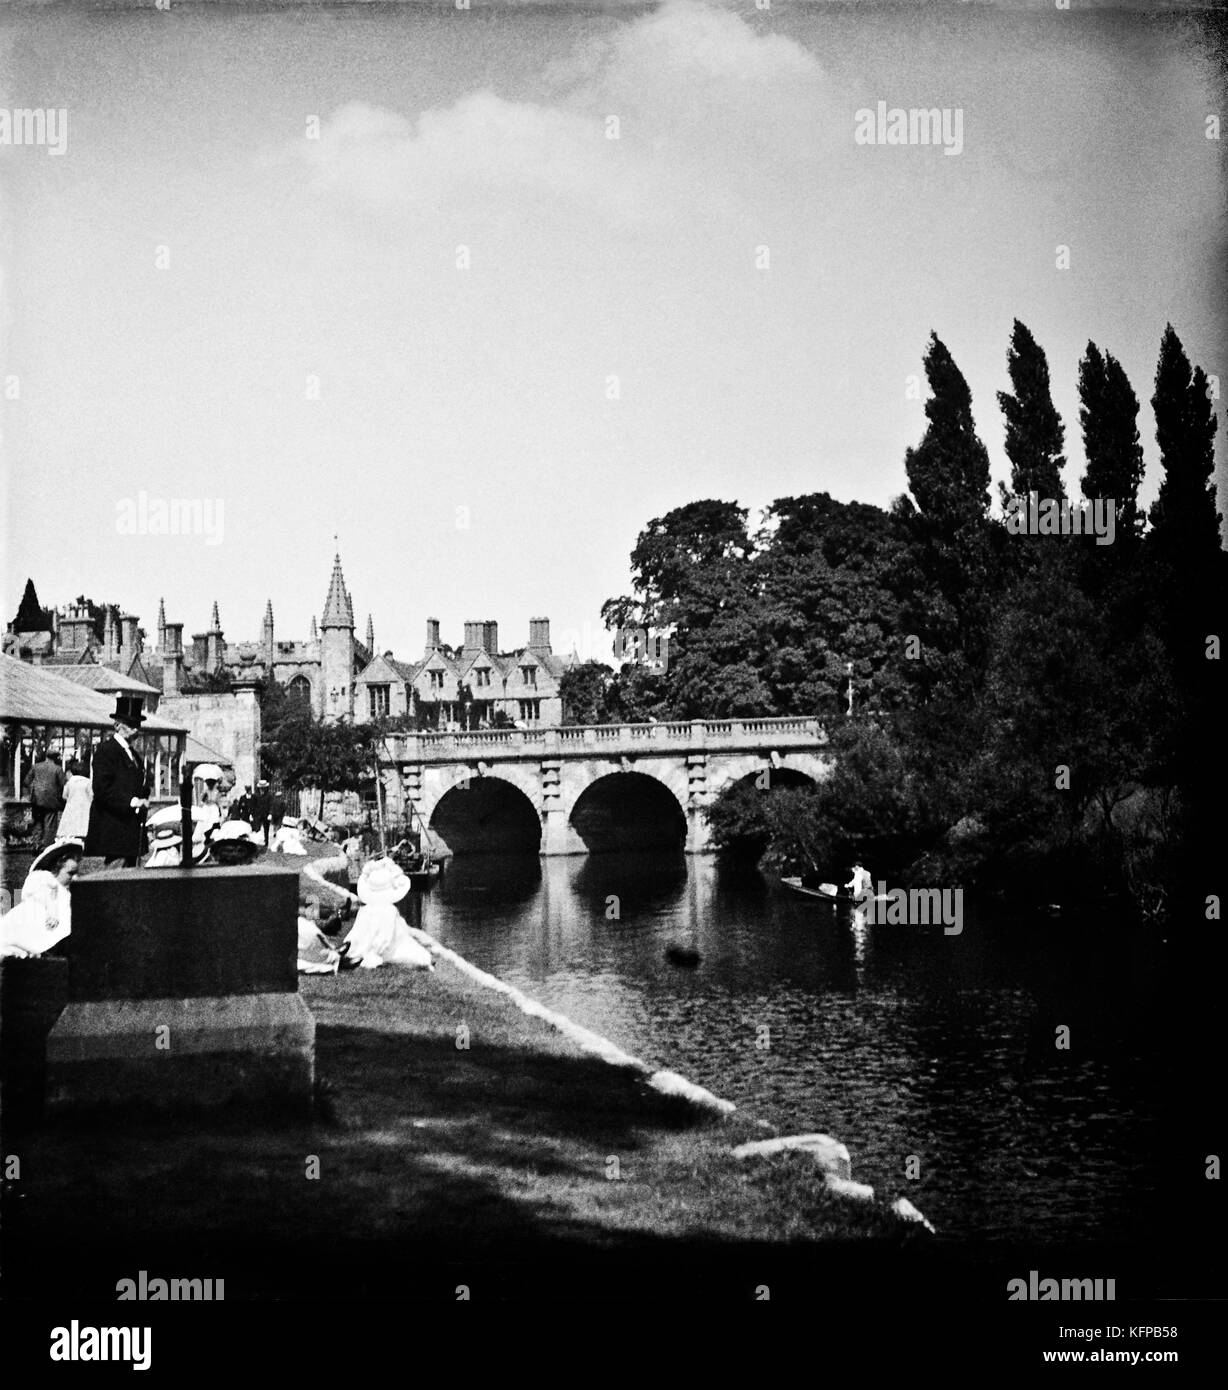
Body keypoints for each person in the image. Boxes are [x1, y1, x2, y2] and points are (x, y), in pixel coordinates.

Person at [84, 698, 150, 868]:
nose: (136, 729)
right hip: (114, 827)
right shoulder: (106, 751)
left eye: (138, 725)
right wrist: (133, 802)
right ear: (117, 725)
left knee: (130, 878)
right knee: (115, 876)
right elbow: (102, 789)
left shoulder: (134, 755)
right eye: (131, 725)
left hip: (131, 828)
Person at [344, 859, 434, 970]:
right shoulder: (390, 911)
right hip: (386, 948)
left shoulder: (364, 910)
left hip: (366, 946)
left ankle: (359, 954)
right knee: (418, 956)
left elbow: (355, 933)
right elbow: (390, 936)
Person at [1, 839, 82, 957]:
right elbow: (45, 898)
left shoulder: (67, 891)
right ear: (56, 869)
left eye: (76, 873)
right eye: (70, 873)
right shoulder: (45, 879)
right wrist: (52, 913)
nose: (75, 877)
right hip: (42, 917)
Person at [29, 749, 66, 850]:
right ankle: (47, 847)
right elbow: (64, 785)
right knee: (50, 825)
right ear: (56, 757)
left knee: (37, 823)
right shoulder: (57, 769)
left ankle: (36, 845)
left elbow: (26, 781)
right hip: (51, 801)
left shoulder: (35, 767)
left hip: (36, 800)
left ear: (46, 756)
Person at [57, 757, 93, 839]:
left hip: (71, 807)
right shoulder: (88, 782)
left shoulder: (69, 782)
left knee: (70, 826)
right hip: (85, 807)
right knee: (84, 825)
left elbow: (64, 796)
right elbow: (91, 796)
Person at [250, 779, 272, 847]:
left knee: (266, 830)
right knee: (257, 829)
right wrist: (251, 814)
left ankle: (266, 843)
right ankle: (256, 843)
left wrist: (270, 813)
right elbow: (252, 805)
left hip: (266, 814)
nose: (262, 789)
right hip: (257, 815)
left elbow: (271, 805)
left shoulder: (269, 796)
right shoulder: (255, 796)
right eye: (261, 788)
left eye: (264, 788)